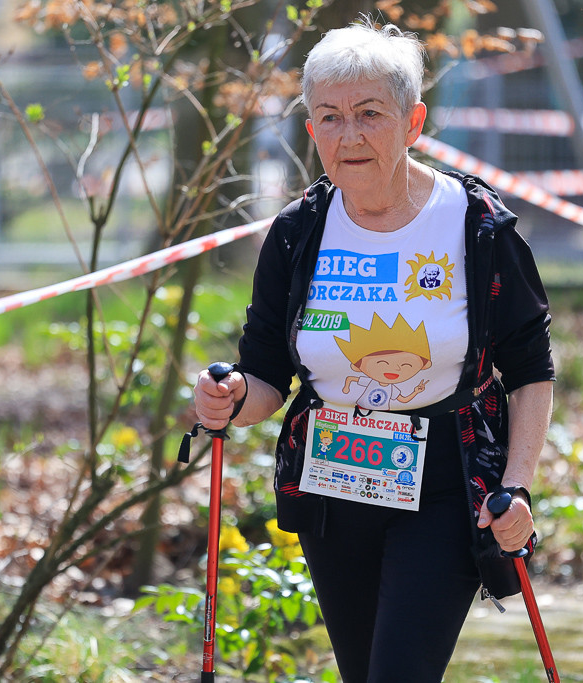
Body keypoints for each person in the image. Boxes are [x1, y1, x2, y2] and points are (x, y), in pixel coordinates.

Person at [192, 19, 554, 682]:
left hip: (445, 483)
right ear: (309, 131)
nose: (348, 135)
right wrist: (232, 396)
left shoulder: (475, 226)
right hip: (335, 484)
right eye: (328, 117)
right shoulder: (299, 232)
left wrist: (517, 485)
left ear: (413, 121)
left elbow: (531, 367)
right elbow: (267, 372)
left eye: (369, 114)